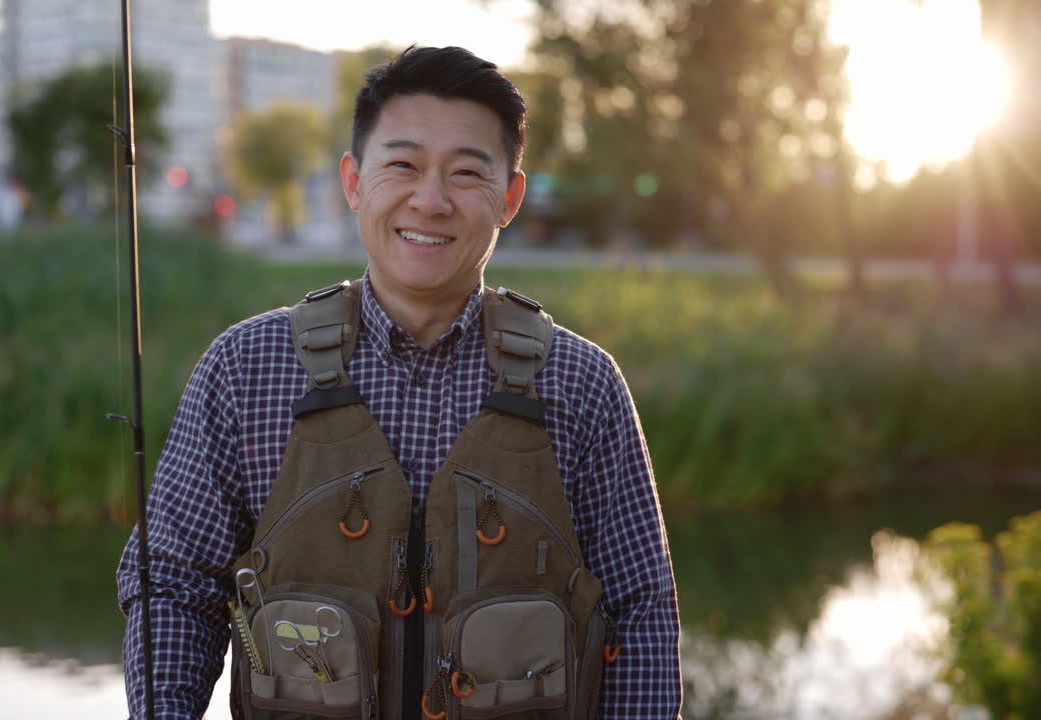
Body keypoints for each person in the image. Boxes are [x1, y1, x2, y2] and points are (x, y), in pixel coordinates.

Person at [117, 45, 682, 719]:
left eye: (467, 173)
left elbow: (639, 609)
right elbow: (173, 585)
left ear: (510, 197)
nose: (431, 200)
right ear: (354, 182)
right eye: (403, 165)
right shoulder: (246, 368)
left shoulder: (583, 383)